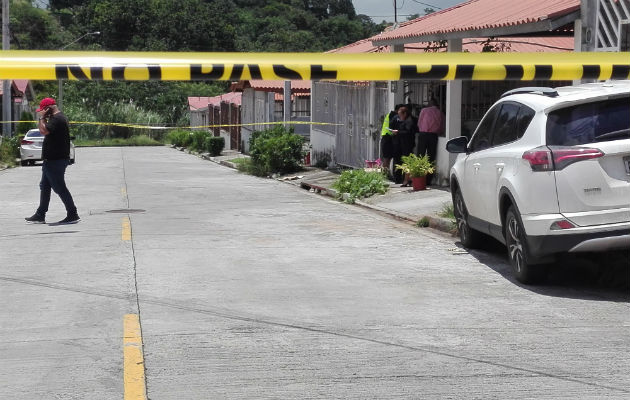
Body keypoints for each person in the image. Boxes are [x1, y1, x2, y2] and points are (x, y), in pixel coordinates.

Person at [25, 98, 80, 225]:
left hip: (56, 161)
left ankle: (73, 214)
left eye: (43, 110)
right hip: (51, 160)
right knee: (45, 186)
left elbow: (43, 131)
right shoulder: (57, 119)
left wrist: (41, 118)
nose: (41, 113)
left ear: (49, 108)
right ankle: (40, 214)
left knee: (59, 187)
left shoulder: (57, 119)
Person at [416, 98, 445, 186]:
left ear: (430, 103)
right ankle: (428, 179)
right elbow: (442, 126)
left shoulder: (424, 110)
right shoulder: (440, 112)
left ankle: (419, 175)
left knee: (420, 155)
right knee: (431, 157)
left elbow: (419, 123)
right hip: (433, 135)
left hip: (423, 134)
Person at [390, 105, 416, 185]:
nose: (399, 117)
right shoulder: (404, 121)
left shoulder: (409, 121)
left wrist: (398, 132)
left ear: (405, 114)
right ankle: (402, 179)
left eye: (400, 115)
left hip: (407, 145)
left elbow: (408, 132)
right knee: (400, 161)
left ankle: (407, 180)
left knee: (407, 162)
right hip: (402, 144)